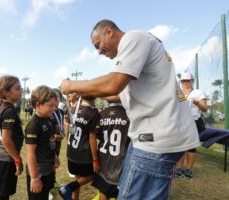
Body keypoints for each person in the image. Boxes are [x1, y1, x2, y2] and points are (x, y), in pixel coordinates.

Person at [60, 19, 200, 199]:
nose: (99, 51)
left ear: (109, 31)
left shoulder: (134, 38)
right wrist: (86, 90)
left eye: (98, 45)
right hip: (158, 136)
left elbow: (113, 84)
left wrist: (72, 85)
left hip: (153, 140)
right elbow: (117, 94)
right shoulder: (136, 56)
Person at [0, 75, 24, 200]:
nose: (21, 91)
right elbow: (6, 139)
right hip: (4, 159)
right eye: (18, 88)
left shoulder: (6, 108)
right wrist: (18, 160)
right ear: (6, 92)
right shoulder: (9, 110)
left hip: (3, 158)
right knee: (0, 197)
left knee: (1, 196)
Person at [59, 95, 99, 200]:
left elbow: (67, 128)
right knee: (95, 174)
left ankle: (72, 195)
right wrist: (95, 159)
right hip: (83, 154)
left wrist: (68, 141)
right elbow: (92, 138)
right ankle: (68, 188)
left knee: (77, 180)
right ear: (94, 96)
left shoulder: (72, 109)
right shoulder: (93, 113)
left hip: (72, 151)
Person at [25, 85, 59, 200]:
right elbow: (30, 153)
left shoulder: (47, 120)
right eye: (50, 105)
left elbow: (49, 142)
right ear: (38, 105)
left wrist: (55, 157)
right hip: (38, 173)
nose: (54, 108)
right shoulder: (34, 124)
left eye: (54, 105)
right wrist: (34, 178)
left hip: (48, 169)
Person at [91, 100, 130, 200]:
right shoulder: (129, 114)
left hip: (104, 159)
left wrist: (95, 160)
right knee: (119, 193)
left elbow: (96, 136)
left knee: (103, 192)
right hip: (121, 161)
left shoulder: (101, 114)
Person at [175, 72, 208, 179]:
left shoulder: (198, 92)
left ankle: (188, 169)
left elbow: (205, 109)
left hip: (194, 121)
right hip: (180, 121)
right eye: (183, 81)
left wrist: (197, 103)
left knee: (191, 147)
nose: (185, 83)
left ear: (192, 81)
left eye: (188, 80)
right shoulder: (178, 92)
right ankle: (179, 168)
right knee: (180, 146)